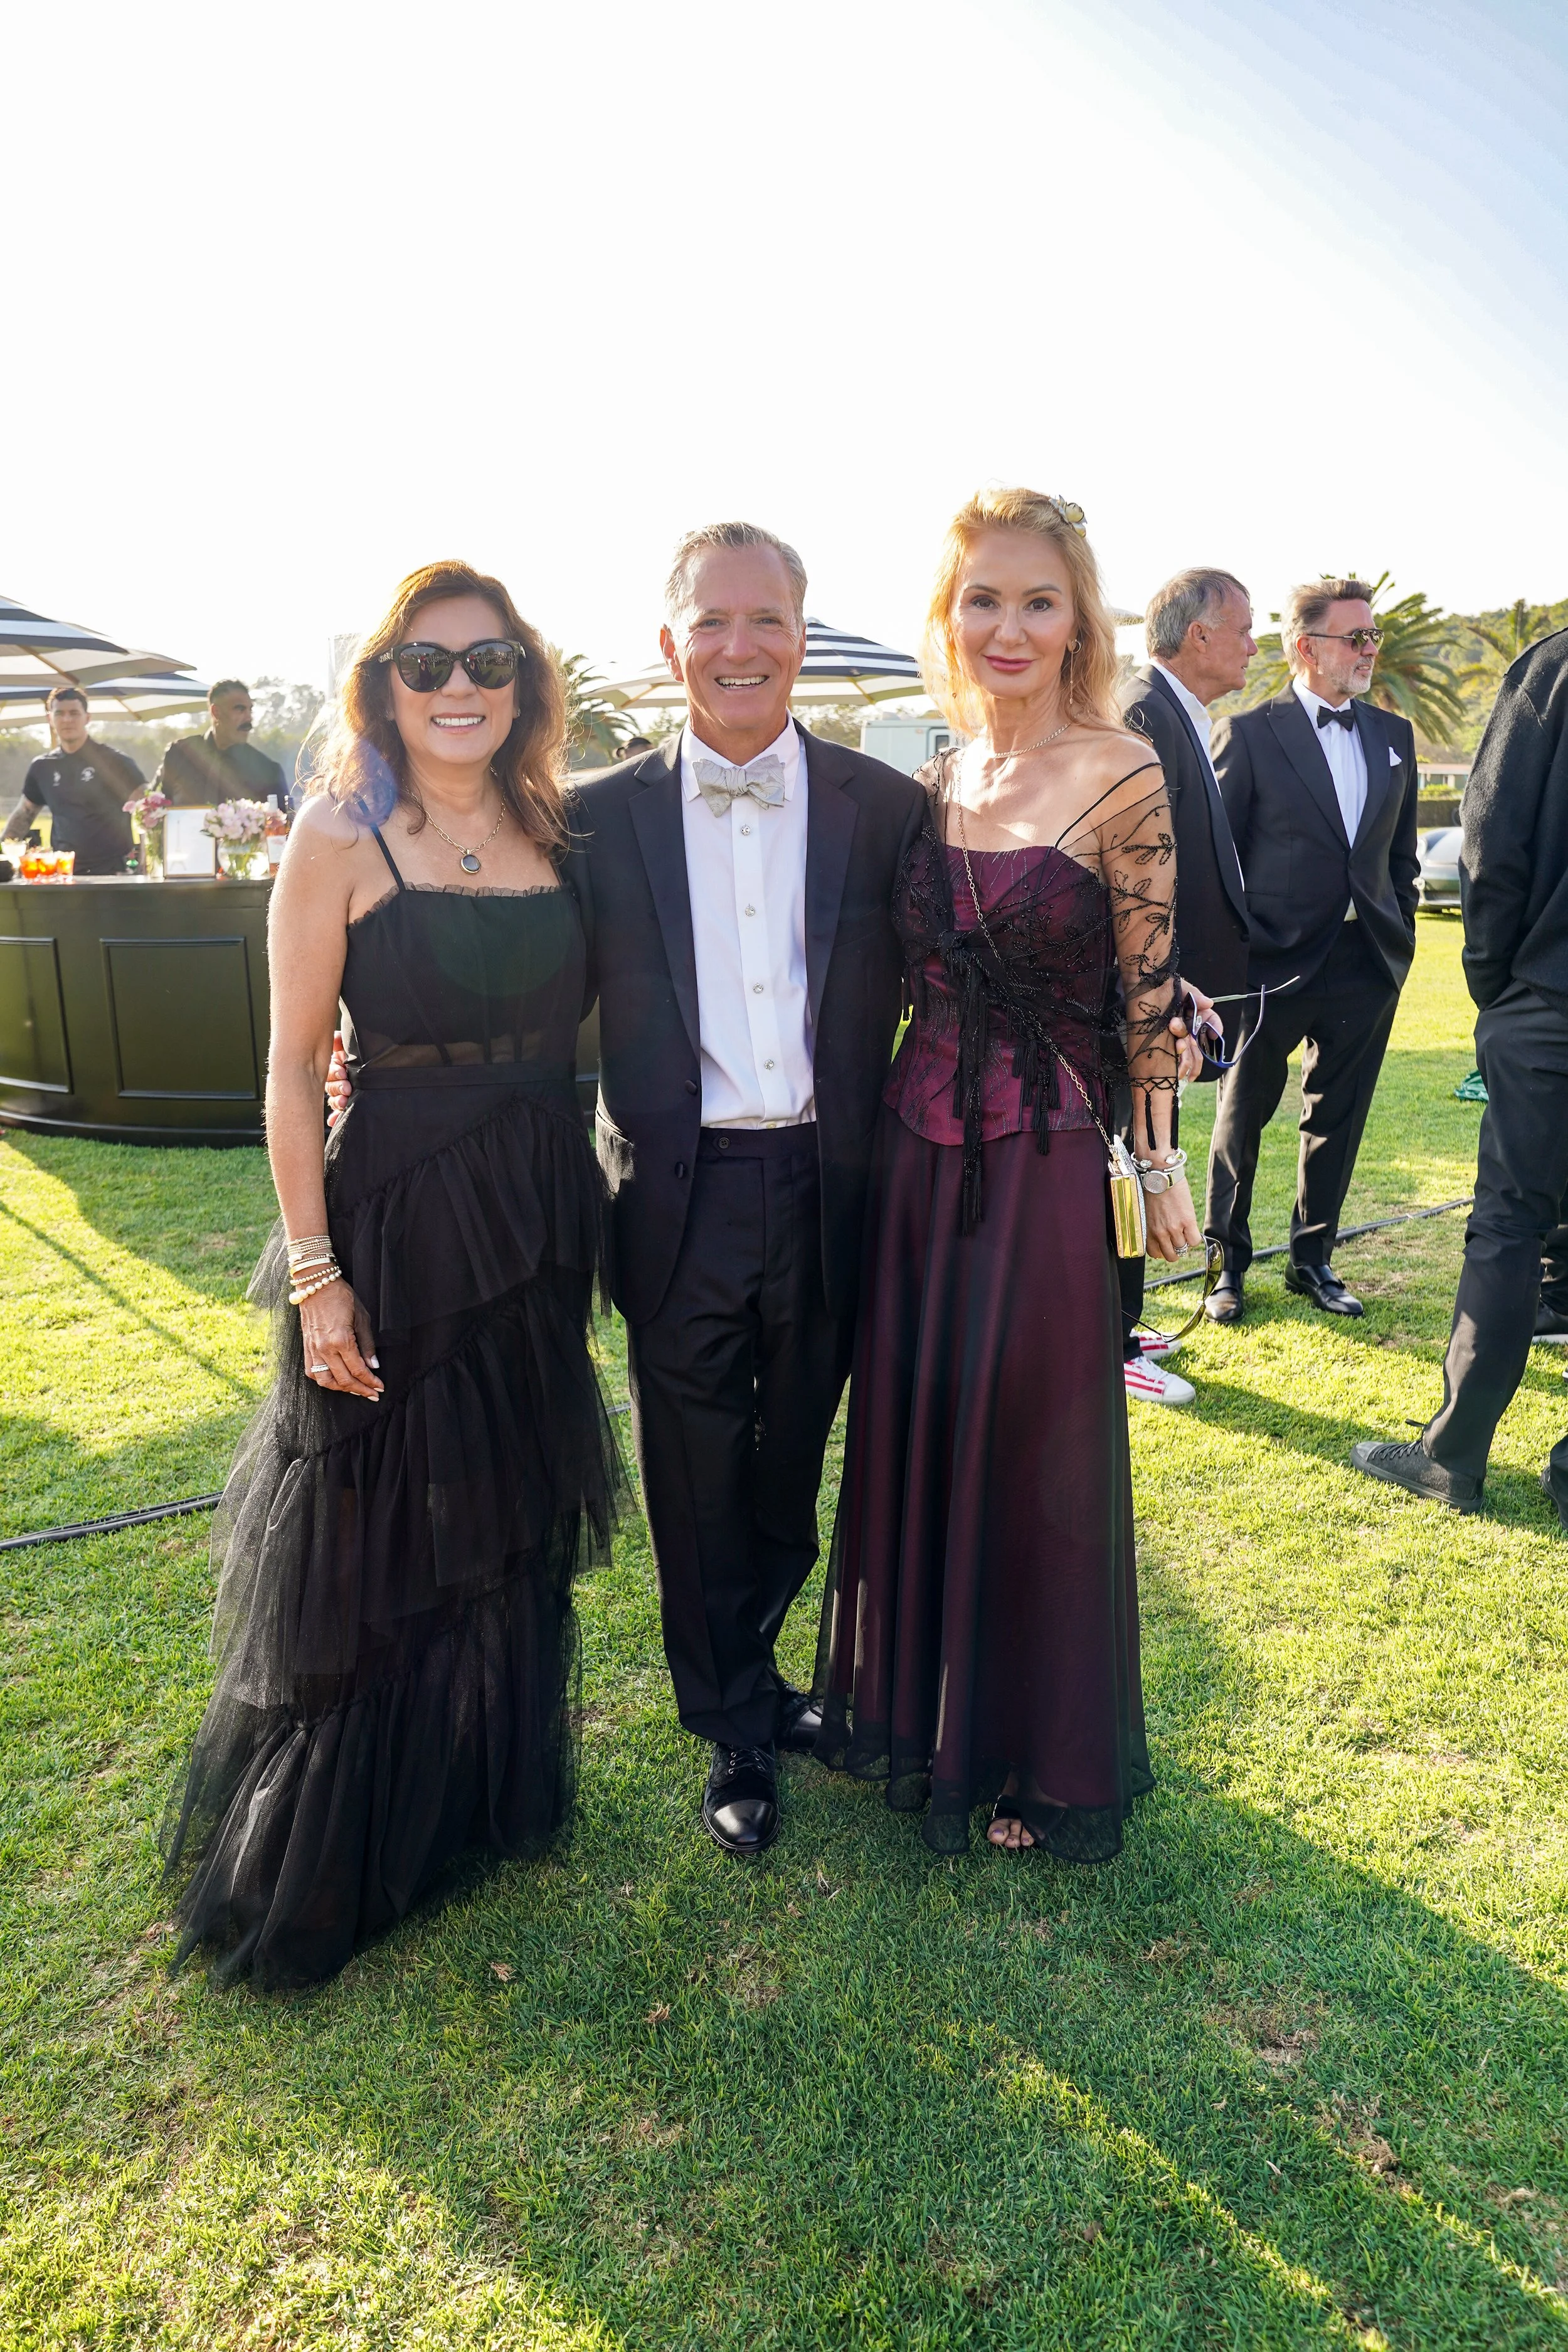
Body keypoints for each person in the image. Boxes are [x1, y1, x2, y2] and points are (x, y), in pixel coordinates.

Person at [161, 562, 625, 1989]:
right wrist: (315, 1276)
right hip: (404, 1212)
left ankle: (484, 1792)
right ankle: (360, 1841)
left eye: (488, 661)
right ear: (383, 685)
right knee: (380, 1527)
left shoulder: (559, 824)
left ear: (527, 681)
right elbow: (293, 1071)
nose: (460, 687)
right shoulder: (340, 831)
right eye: (427, 666)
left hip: (541, 1203)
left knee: (506, 1501)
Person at [815, 487, 1199, 1862]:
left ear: (1078, 617)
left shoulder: (1123, 767)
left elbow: (1149, 988)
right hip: (916, 1165)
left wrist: (1157, 1163)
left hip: (1042, 1168)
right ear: (946, 615)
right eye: (982, 598)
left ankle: (1040, 1757)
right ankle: (929, 1725)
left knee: (1037, 1454)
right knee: (925, 1433)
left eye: (1038, 600)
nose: (1009, 625)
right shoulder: (936, 774)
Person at [564, 523, 925, 1860]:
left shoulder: (883, 808)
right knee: (695, 1468)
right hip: (675, 1192)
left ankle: (765, 1665)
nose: (737, 647)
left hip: (831, 1187)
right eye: (709, 623)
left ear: (802, 638)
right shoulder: (589, 816)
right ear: (668, 647)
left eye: (764, 620)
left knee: (788, 1464)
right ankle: (729, 1718)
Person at [1353, 626, 1568, 1522]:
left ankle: (1454, 1454)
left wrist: (1498, 983)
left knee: (1510, 1227)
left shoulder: (1555, 666)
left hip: (1549, 997)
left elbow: (1492, 834)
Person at [1204, 580, 1420, 1321]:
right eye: (1353, 637)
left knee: (1339, 1117)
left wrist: (1403, 931)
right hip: (1272, 965)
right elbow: (1218, 859)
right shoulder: (1249, 733)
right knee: (1243, 1113)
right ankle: (1224, 1265)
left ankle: (1312, 1260)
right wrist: (1236, 955)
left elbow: (1399, 859)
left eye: (1372, 637)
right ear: (1305, 647)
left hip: (1367, 964)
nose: (1368, 650)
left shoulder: (1395, 737)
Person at [1116, 568, 1254, 1402]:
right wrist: (1166, 983)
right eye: (1241, 627)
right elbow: (1136, 874)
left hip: (1171, 998)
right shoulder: (1143, 711)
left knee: (1140, 1156)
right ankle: (1108, 1339)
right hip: (1147, 1001)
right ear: (1197, 634)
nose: (1250, 644)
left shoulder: (1176, 712)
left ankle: (1122, 1321)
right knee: (1135, 1158)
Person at [2, 684, 141, 872]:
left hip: (114, 874)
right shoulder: (42, 767)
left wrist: (147, 861)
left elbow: (149, 810)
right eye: (59, 714)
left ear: (87, 718)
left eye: (74, 713)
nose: (67, 720)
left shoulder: (115, 762)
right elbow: (23, 815)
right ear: (50, 719)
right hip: (64, 873)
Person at [154, 680, 287, 807]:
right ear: (216, 712)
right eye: (240, 710)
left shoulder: (268, 771)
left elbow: (283, 825)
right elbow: (156, 810)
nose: (249, 718)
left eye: (250, 710)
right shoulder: (179, 754)